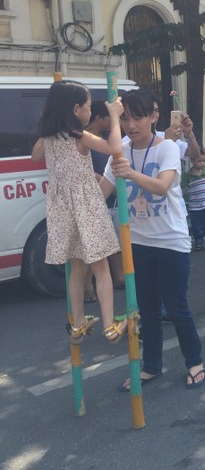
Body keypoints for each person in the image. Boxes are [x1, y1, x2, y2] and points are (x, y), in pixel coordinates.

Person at [101, 90, 205, 390]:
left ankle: (195, 362)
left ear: (153, 117)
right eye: (125, 118)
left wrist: (131, 173)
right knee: (145, 310)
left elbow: (161, 186)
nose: (132, 125)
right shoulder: (120, 149)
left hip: (171, 241)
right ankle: (152, 365)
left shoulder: (167, 147)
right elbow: (103, 192)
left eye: (138, 117)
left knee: (176, 306)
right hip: (137, 243)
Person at [31, 81, 127, 344]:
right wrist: (115, 118)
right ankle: (110, 326)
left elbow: (34, 157)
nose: (88, 112)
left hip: (62, 209)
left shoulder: (48, 139)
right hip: (86, 206)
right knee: (101, 267)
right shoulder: (79, 136)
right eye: (86, 108)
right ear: (76, 110)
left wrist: (47, 127)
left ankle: (78, 323)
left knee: (76, 269)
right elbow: (114, 148)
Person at [83, 100, 125, 302]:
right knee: (94, 246)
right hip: (91, 196)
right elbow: (83, 170)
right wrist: (105, 183)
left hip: (110, 198)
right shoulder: (83, 138)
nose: (113, 122)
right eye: (111, 116)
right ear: (99, 117)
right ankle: (88, 290)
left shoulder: (108, 138)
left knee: (114, 242)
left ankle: (119, 278)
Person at [181, 156, 205, 251]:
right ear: (192, 161)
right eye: (199, 161)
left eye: (203, 161)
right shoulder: (188, 175)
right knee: (196, 225)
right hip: (194, 206)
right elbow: (183, 188)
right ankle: (198, 241)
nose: (202, 163)